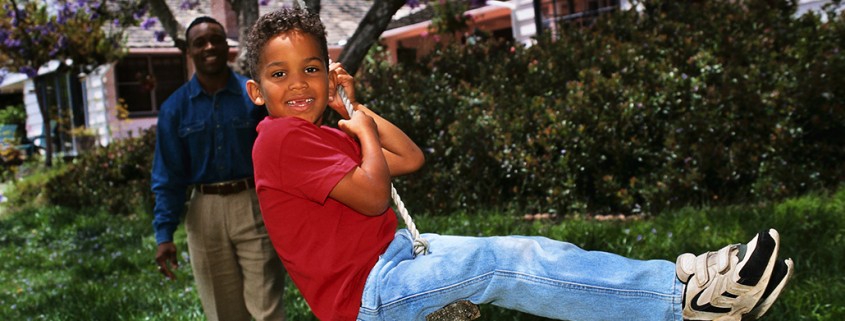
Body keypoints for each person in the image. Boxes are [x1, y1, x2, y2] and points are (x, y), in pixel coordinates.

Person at [245, 8, 794, 321]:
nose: (298, 83)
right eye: (279, 74)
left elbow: (409, 159)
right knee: (504, 262)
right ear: (254, 90)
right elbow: (371, 195)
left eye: (312, 68)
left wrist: (354, 108)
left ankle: (684, 281)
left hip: (393, 260)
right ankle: (686, 299)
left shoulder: (316, 133)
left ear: (329, 73)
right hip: (369, 295)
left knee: (530, 251)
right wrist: (361, 131)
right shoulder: (280, 142)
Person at [151, 16, 286, 321]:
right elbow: (167, 177)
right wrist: (164, 234)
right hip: (204, 213)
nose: (209, 46)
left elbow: (282, 153)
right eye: (200, 42)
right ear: (189, 51)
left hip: (254, 204)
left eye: (217, 39)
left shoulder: (255, 97)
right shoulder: (175, 109)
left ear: (228, 47)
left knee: (267, 309)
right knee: (224, 313)